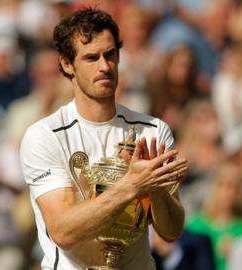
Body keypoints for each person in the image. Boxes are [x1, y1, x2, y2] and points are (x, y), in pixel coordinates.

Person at [20, 8, 188, 270]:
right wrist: (132, 184)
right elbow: (63, 232)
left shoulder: (153, 130)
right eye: (90, 58)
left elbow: (171, 231)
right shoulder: (45, 135)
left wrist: (155, 190)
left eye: (110, 55)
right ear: (67, 64)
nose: (104, 66)